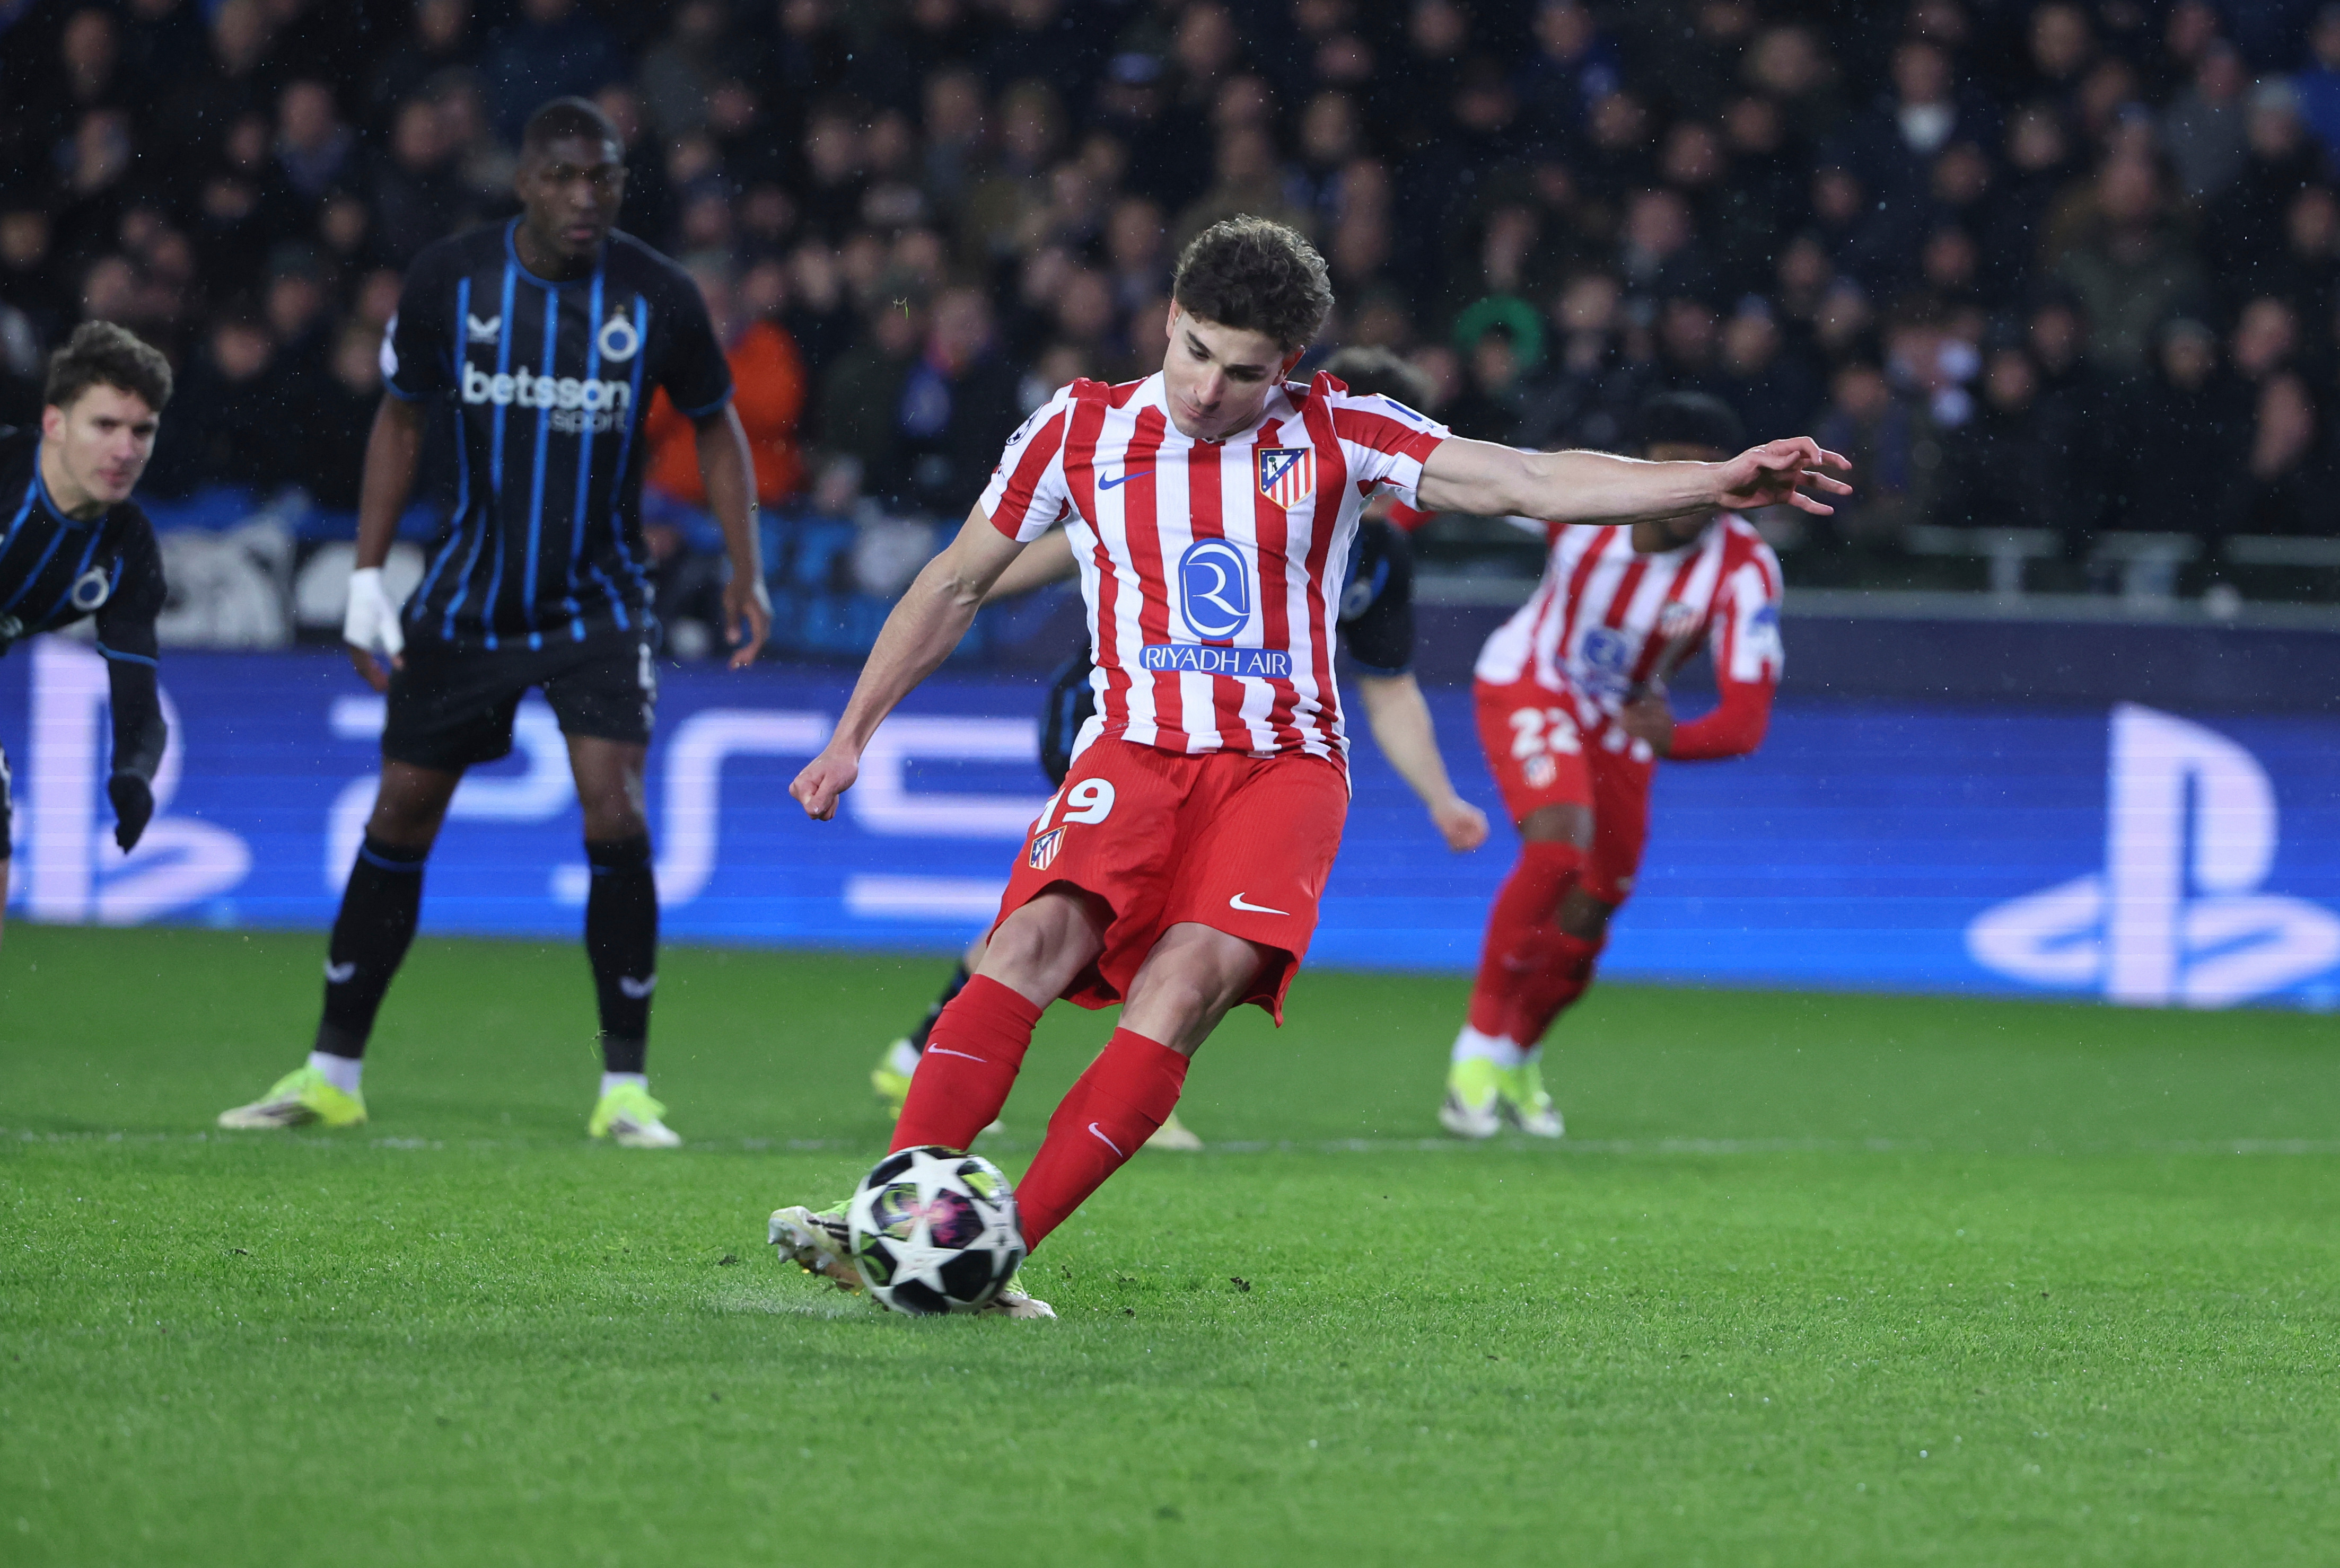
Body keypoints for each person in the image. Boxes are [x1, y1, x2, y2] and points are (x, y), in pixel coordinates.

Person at [770, 217, 1845, 1316]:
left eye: (1241, 373)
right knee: (1027, 943)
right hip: (1132, 747)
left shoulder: (1341, 432)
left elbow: (1521, 477)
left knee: (1182, 989)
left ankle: (992, 1255)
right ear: (1169, 320)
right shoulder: (1076, 428)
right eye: (1193, 352)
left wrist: (1711, 482)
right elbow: (953, 583)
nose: (1204, 390)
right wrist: (853, 731)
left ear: (1288, 365)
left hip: (1280, 771)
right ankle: (883, 1223)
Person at [217, 98, 770, 1146]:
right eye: (563, 176)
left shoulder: (657, 294)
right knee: (400, 816)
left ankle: (624, 1090)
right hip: (471, 597)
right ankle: (332, 1072)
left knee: (616, 813)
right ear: (523, 179)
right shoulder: (450, 280)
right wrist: (370, 576)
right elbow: (400, 416)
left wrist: (748, 569)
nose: (584, 197)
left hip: (600, 597)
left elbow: (717, 425)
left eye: (602, 177)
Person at [867, 346, 1494, 1152]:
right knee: (1098, 902)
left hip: (1238, 746)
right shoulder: (1205, 468)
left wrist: (1439, 796)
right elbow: (1072, 537)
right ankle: (1009, 1060)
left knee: (1097, 910)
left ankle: (948, 1046)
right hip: (1113, 718)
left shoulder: (1376, 555)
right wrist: (968, 584)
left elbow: (1389, 685)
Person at [1439, 392, 1785, 1139]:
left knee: (1590, 915)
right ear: (1642, 469)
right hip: (1531, 676)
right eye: (1672, 470)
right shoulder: (1584, 502)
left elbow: (1745, 721)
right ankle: (1474, 1053)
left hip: (1626, 720)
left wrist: (1672, 738)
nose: (1688, 492)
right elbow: (1465, 487)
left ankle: (1518, 1056)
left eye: (1705, 474)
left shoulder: (1745, 570)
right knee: (1559, 844)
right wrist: (1378, 515)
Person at [0, 321, 173, 965]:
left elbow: (138, 698)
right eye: (105, 426)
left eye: (141, 431)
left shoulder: (128, 552)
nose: (125, 449)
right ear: (55, 423)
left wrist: (133, 774)